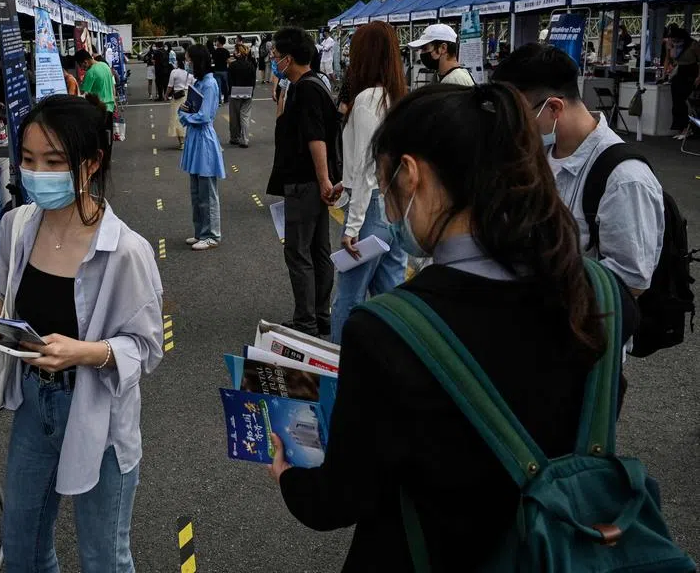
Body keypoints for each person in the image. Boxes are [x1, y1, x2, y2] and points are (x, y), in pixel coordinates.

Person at [271, 82, 639, 570]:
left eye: (386, 187)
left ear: (411, 174)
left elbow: (342, 497)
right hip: (568, 548)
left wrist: (289, 476)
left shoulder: (386, 333)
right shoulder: (600, 293)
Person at [0, 94, 163, 572]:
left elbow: (146, 348)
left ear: (91, 163)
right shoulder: (17, 226)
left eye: (54, 162)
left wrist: (87, 352)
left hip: (96, 407)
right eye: (29, 160)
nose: (37, 173)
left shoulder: (126, 251)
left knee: (103, 555)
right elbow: (2, 286)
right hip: (35, 403)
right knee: (23, 546)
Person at [493, 44, 664, 296]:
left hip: (582, 328)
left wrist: (545, 290)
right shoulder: (538, 155)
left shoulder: (625, 179)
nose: (512, 126)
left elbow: (631, 280)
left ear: (553, 108)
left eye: (517, 115)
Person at [330, 22, 410, 343]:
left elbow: (366, 168)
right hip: (394, 207)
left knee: (347, 302)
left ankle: (338, 375)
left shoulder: (366, 100)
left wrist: (351, 228)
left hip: (372, 210)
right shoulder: (396, 97)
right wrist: (345, 183)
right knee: (391, 299)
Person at [266, 28, 343, 337]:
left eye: (275, 56)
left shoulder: (307, 89)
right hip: (309, 181)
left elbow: (316, 138)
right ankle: (319, 316)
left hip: (305, 182)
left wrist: (323, 179)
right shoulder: (306, 85)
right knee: (317, 249)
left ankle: (307, 322)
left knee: (299, 252)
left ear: (289, 58)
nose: (272, 60)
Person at [179, 44, 226, 250]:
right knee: (196, 191)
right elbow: (188, 109)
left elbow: (204, 115)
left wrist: (186, 116)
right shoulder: (199, 82)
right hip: (195, 137)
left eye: (189, 60)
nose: (186, 63)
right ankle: (200, 232)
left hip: (204, 138)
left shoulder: (210, 83)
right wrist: (186, 114)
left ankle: (212, 235)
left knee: (207, 192)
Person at [408, 23, 474, 86]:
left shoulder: (455, 80)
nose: (421, 53)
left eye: (425, 49)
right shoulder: (440, 76)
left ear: (443, 48)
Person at [665, 24, 700, 139]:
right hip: (679, 72)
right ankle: (681, 127)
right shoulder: (674, 46)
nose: (673, 41)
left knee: (685, 100)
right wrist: (670, 47)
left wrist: (698, 77)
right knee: (677, 101)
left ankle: (688, 128)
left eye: (675, 39)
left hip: (691, 72)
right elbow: (670, 58)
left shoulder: (693, 45)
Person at [227, 41, 257, 147]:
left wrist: (229, 93)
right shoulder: (251, 65)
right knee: (245, 116)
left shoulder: (233, 65)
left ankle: (235, 137)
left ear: (239, 53)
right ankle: (245, 139)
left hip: (235, 92)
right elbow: (253, 81)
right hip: (248, 91)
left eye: (235, 51)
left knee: (234, 116)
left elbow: (229, 81)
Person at [166, 55, 194, 150]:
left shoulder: (174, 72)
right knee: (187, 117)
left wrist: (166, 95)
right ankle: (187, 140)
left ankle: (181, 142)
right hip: (187, 96)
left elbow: (170, 86)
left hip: (177, 97)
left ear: (177, 62)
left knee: (177, 118)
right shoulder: (189, 74)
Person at [75, 49, 115, 114]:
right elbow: (113, 86)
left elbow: (83, 94)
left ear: (85, 62)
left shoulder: (90, 72)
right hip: (110, 107)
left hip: (99, 108)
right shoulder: (105, 65)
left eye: (80, 65)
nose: (81, 68)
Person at [211, 36, 231, 104]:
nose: (216, 43)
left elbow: (213, 61)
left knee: (218, 86)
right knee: (225, 86)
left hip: (216, 70)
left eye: (217, 41)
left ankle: (219, 100)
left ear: (219, 42)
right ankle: (226, 99)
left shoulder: (214, 51)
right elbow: (228, 61)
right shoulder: (226, 51)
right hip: (224, 70)